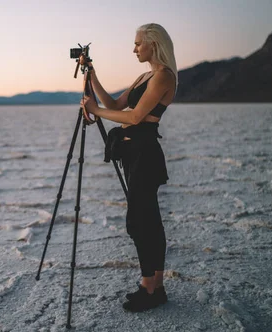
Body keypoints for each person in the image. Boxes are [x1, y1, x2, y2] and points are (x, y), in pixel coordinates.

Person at [79, 23, 178, 312]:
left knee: (140, 221)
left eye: (138, 44)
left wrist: (95, 111)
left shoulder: (163, 76)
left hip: (145, 154)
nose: (134, 49)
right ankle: (156, 286)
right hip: (133, 154)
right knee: (148, 220)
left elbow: (134, 117)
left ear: (153, 44)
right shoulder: (144, 77)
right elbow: (113, 103)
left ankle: (149, 289)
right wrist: (92, 75)